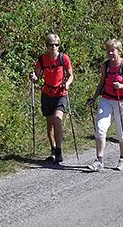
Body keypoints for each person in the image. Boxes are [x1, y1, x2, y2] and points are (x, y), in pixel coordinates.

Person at [86, 39, 123, 171]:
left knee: (121, 131)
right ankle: (99, 160)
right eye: (108, 50)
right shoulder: (106, 65)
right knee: (100, 127)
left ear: (119, 51)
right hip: (107, 99)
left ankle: (122, 159)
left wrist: (121, 86)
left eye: (112, 50)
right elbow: (101, 82)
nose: (110, 53)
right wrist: (94, 97)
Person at [29, 33, 74, 163]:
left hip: (61, 93)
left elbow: (71, 75)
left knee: (57, 120)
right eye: (51, 45)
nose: (54, 47)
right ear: (47, 46)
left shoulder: (64, 58)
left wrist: (67, 84)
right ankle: (53, 149)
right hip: (47, 94)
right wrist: (33, 77)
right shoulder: (42, 59)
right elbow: (37, 77)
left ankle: (59, 151)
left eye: (56, 45)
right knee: (50, 125)